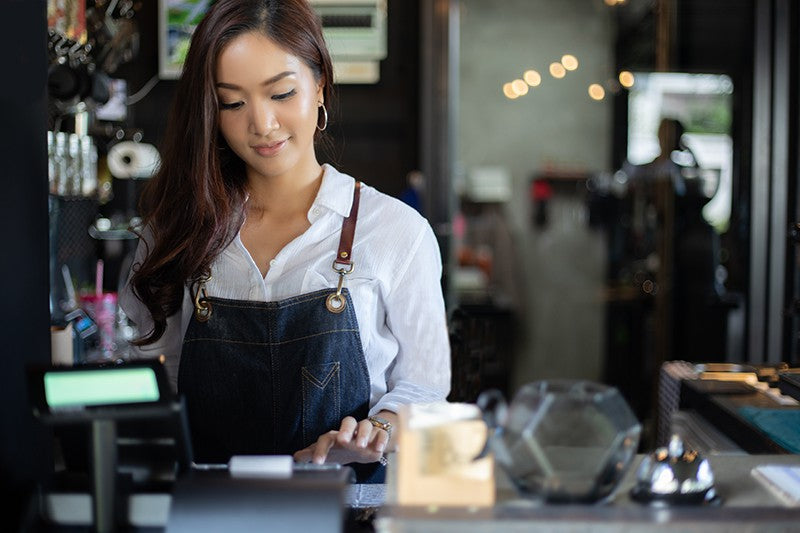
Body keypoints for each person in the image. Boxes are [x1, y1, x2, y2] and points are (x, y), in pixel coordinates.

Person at [120, 0, 450, 483]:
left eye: (281, 94)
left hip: (349, 507)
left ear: (319, 87)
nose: (262, 124)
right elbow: (150, 375)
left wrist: (374, 431)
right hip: (210, 508)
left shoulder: (397, 231)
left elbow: (424, 386)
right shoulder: (174, 230)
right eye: (232, 102)